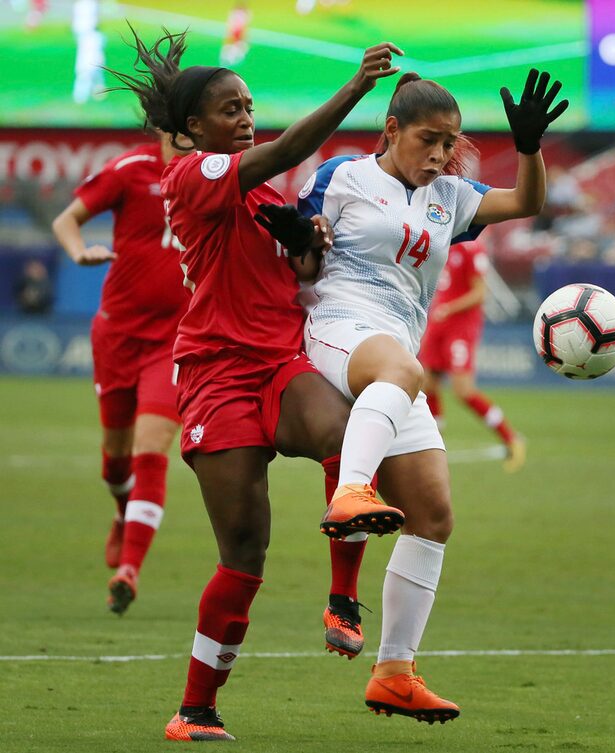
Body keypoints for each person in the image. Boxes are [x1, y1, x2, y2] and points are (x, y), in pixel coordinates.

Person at [107, 26, 406, 741]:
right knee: (245, 549)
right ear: (191, 128)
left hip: (278, 360)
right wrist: (356, 90)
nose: (245, 119)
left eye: (248, 106)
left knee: (345, 435)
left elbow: (296, 275)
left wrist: (309, 247)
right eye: (229, 110)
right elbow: (287, 150)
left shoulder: (262, 189)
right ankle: (196, 708)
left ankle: (343, 599)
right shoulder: (191, 176)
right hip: (215, 374)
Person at [299, 68, 568, 722]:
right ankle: (350, 492)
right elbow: (297, 251)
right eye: (428, 139)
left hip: (396, 356)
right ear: (391, 130)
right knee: (401, 370)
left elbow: (525, 203)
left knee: (434, 513)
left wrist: (528, 148)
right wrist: (304, 243)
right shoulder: (342, 176)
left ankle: (395, 668)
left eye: (450, 142)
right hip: (338, 326)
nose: (441, 154)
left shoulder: (450, 195)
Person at [52, 130, 191, 615]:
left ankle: (129, 568)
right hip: (117, 335)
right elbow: (67, 220)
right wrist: (78, 251)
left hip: (175, 340)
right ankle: (121, 508)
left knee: (149, 450)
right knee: (115, 459)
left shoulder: (217, 173)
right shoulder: (131, 169)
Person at [418, 239, 525, 471]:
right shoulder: (442, 241)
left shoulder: (472, 248)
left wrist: (449, 308)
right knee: (427, 384)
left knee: (463, 390)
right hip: (438, 324)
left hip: (460, 328)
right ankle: (434, 445)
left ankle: (511, 438)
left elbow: (479, 293)